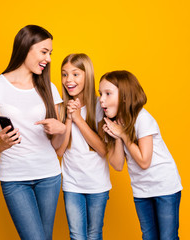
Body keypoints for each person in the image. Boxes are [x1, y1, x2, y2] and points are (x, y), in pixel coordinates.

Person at [0, 25, 66, 240]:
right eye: (44, 52)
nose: (49, 59)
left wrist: (61, 128)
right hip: (15, 178)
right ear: (26, 48)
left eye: (50, 53)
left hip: (49, 176)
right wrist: (3, 142)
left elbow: (58, 142)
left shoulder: (49, 88)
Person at [99, 70, 183, 240]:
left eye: (108, 94)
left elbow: (144, 161)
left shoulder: (142, 118)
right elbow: (117, 164)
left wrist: (123, 135)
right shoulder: (115, 124)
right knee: (149, 236)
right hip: (141, 190)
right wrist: (118, 137)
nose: (101, 99)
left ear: (124, 96)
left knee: (168, 237)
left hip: (164, 187)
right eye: (100, 94)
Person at [57, 53, 111, 240]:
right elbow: (60, 150)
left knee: (94, 234)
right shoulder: (61, 108)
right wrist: (69, 120)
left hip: (97, 184)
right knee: (76, 235)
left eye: (75, 74)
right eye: (64, 74)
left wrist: (78, 119)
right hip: (72, 183)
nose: (68, 80)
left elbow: (103, 150)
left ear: (87, 75)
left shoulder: (100, 105)